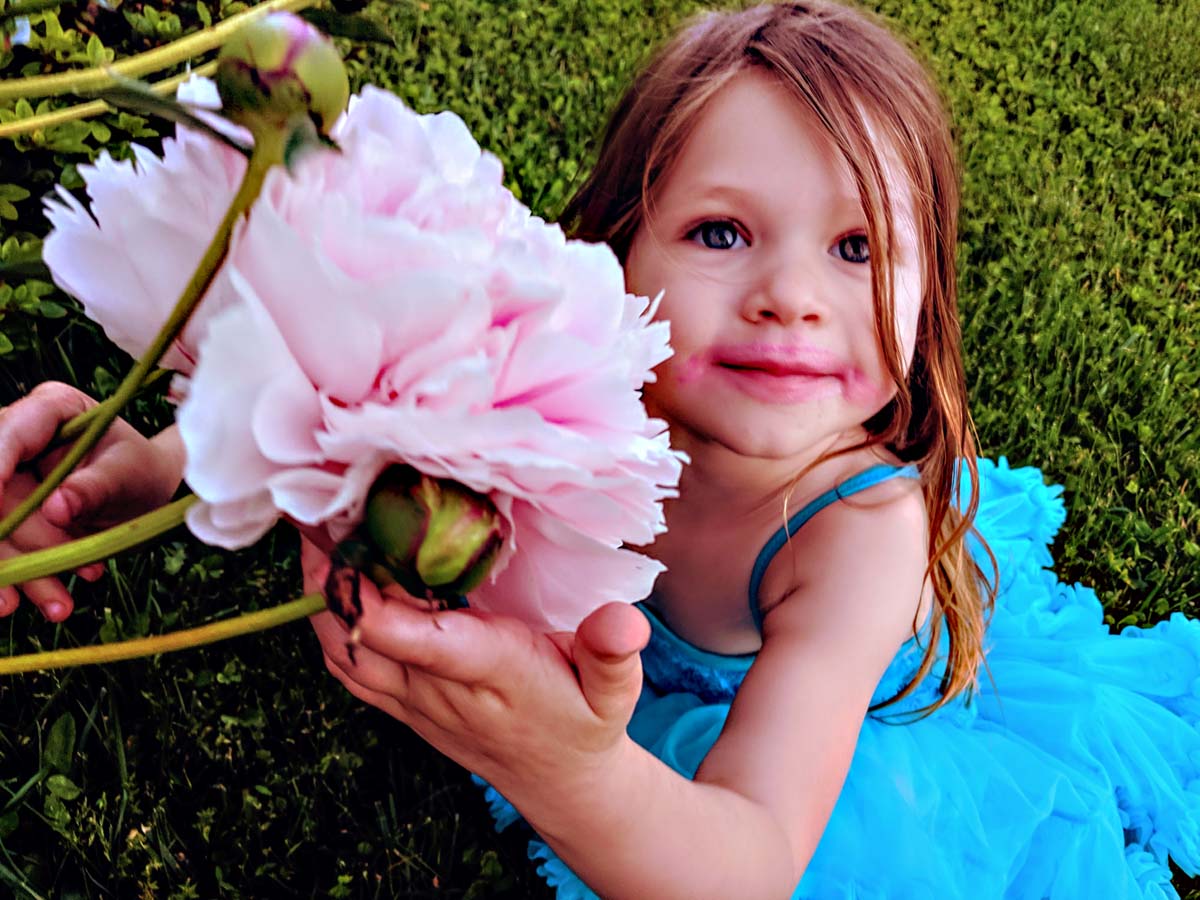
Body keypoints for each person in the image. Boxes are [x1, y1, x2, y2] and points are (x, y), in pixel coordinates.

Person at [2, 2, 1198, 897]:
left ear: (926, 289)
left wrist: (572, 771)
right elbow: (364, 415)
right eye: (721, 231)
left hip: (824, 741)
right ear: (613, 256)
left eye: (857, 249)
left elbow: (752, 859)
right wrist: (142, 468)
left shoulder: (857, 536)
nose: (792, 295)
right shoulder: (583, 378)